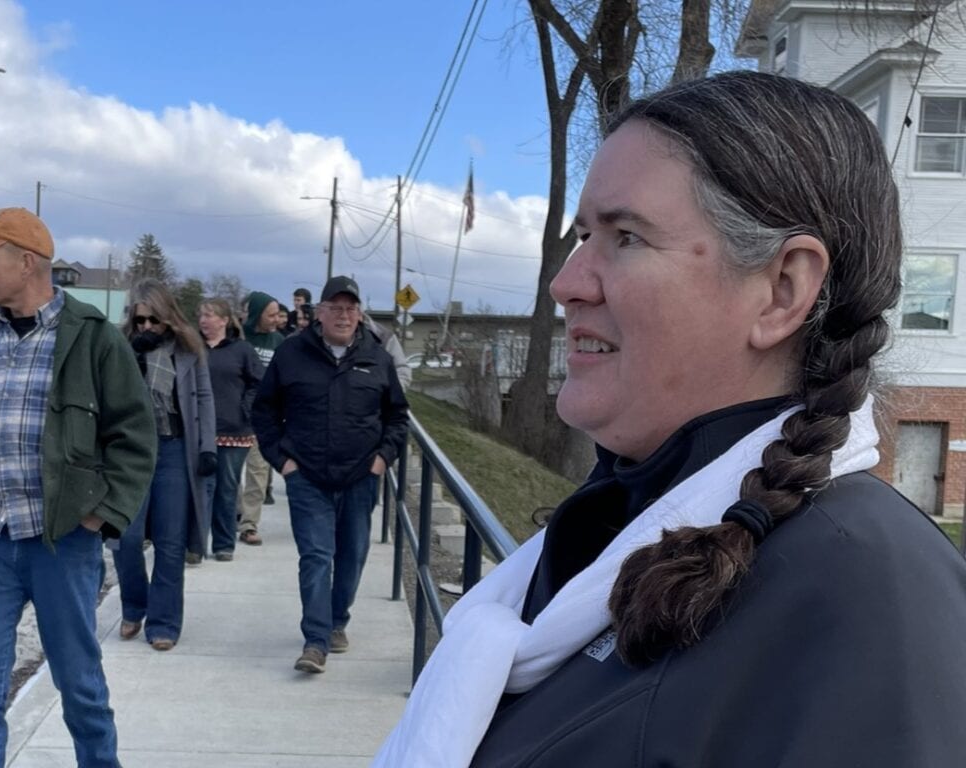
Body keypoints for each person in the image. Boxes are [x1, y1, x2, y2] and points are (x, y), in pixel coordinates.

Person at [374, 72, 966, 767]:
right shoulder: (619, 524)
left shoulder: (866, 596)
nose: (567, 283)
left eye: (625, 237)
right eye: (584, 234)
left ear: (782, 291)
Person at [0, 208, 156, 767]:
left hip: (63, 541)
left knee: (80, 686)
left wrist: (100, 513)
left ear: (27, 262)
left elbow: (134, 437)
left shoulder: (93, 338)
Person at [253, 275, 409, 674]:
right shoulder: (292, 354)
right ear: (319, 312)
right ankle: (315, 641)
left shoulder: (377, 357)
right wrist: (283, 463)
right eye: (335, 308)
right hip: (307, 476)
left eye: (350, 309)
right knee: (316, 557)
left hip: (360, 476)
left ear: (359, 315)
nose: (343, 315)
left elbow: (397, 416)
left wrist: (382, 460)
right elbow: (264, 412)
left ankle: (338, 620)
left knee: (352, 555)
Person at [113, 278, 216, 651]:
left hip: (174, 450)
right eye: (139, 321)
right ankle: (134, 605)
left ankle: (164, 621)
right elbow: (109, 396)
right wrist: (134, 355)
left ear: (167, 316)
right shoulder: (122, 347)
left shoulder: (188, 347)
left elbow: (203, 398)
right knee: (125, 537)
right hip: (132, 453)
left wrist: (208, 448)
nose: (146, 328)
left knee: (171, 544)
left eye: (152, 321)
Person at [198, 298, 263, 561]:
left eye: (210, 315)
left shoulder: (242, 350)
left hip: (234, 431)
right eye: (201, 315)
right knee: (201, 488)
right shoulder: (192, 348)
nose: (204, 320)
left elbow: (258, 383)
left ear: (224, 320)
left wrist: (245, 410)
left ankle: (224, 544)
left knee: (226, 489)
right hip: (199, 430)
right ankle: (196, 543)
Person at [236, 291, 286, 541]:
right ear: (257, 314)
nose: (276, 319)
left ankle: (249, 525)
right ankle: (235, 511)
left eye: (278, 314)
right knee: (231, 472)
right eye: (271, 314)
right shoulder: (240, 337)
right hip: (234, 416)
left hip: (263, 416)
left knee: (258, 470)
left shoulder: (279, 341)